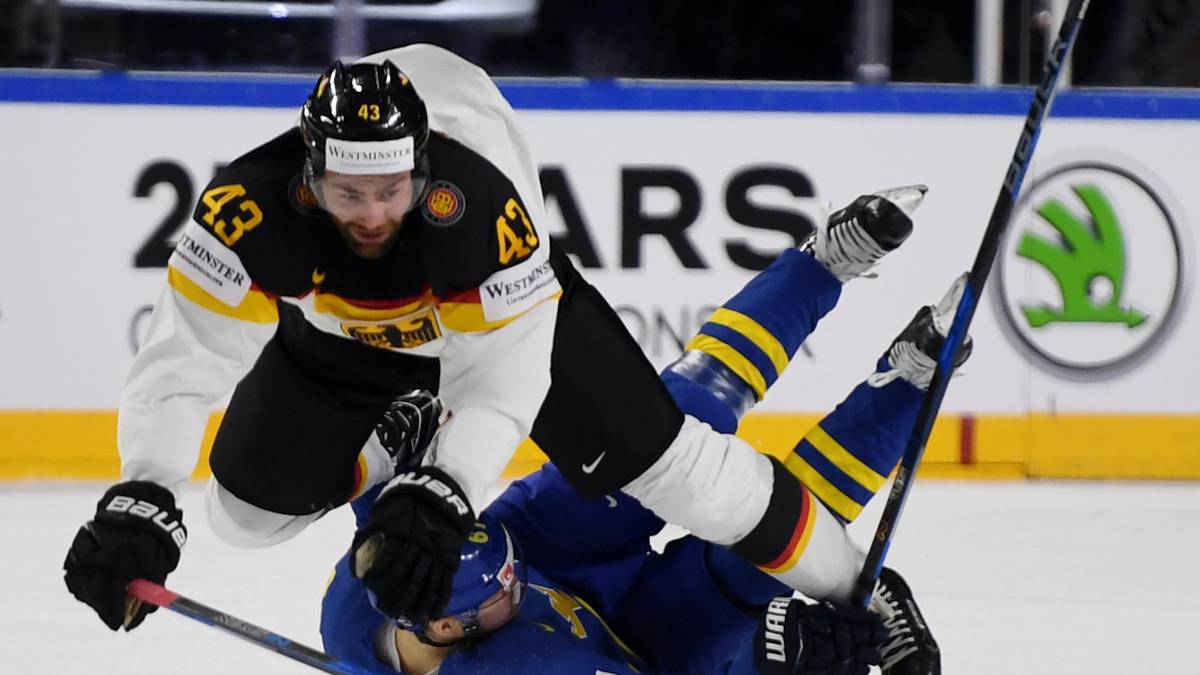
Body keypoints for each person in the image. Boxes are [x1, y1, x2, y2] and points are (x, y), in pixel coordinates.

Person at [62, 42, 938, 640]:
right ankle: (397, 428)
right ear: (308, 171)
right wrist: (142, 492)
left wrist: (449, 483)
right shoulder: (246, 211)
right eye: (347, 193)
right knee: (245, 515)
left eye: (391, 190)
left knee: (684, 470)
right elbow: (185, 361)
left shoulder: (480, 207)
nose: (371, 216)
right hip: (346, 337)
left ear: (425, 168)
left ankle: (864, 586)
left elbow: (506, 375)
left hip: (498, 326)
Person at [321, 245, 970, 674]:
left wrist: (384, 442)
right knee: (779, 539)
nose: (513, 583)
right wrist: (765, 659)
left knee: (668, 422)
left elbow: (377, 478)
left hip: (552, 540)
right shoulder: (527, 666)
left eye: (505, 572)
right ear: (447, 626)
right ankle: (910, 380)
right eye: (501, 590)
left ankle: (817, 267)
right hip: (648, 640)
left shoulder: (364, 592)